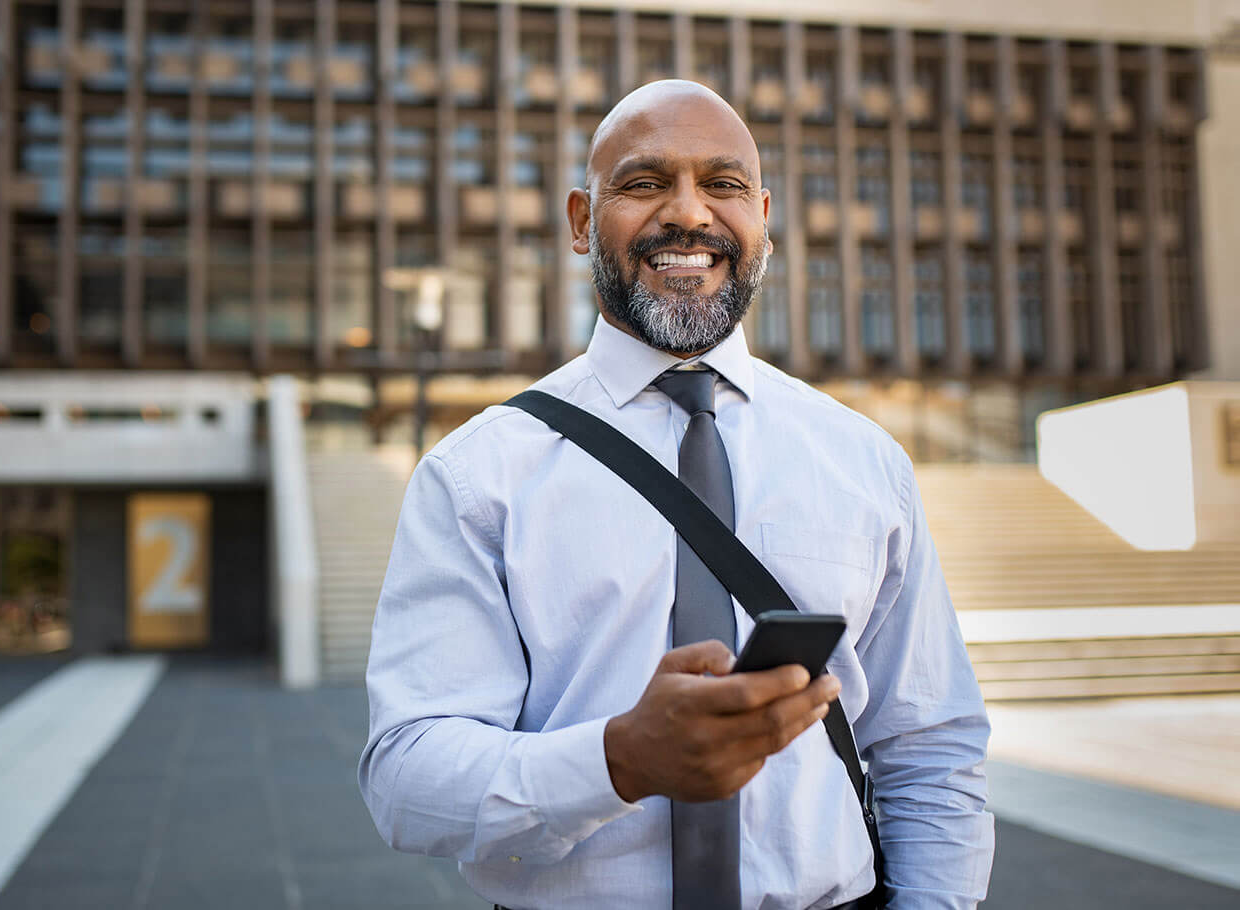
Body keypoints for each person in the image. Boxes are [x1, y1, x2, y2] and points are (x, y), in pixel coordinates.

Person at [359, 80, 994, 910]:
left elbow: (929, 741)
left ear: (762, 219)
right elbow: (406, 778)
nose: (688, 215)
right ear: (583, 221)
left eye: (723, 185)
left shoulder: (863, 460)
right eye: (646, 183)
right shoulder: (478, 473)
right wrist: (618, 759)